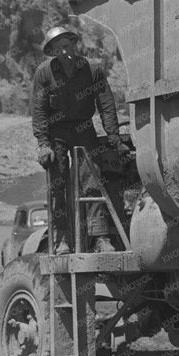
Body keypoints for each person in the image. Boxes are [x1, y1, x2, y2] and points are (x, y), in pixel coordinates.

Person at [31, 24, 124, 252]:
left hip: (84, 129)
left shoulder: (92, 70)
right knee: (58, 185)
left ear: (74, 44)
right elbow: (39, 110)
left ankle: (101, 237)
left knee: (93, 179)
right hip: (57, 133)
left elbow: (106, 104)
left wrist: (114, 137)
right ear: (52, 52)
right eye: (58, 48)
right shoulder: (44, 73)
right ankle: (61, 238)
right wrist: (43, 143)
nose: (64, 51)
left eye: (67, 45)